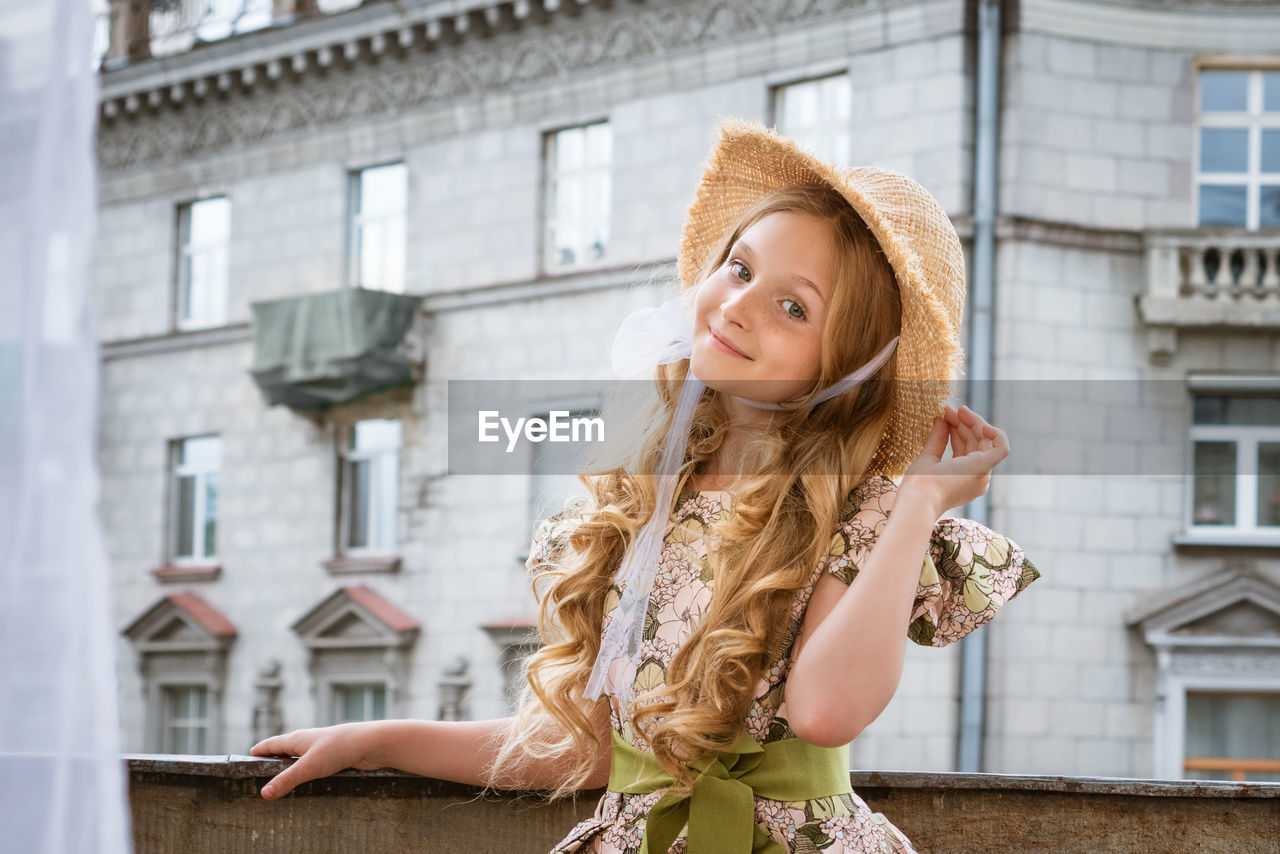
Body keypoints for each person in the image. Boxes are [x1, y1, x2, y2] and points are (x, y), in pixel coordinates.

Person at [251, 118, 1040, 853]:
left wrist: (920, 505)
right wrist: (373, 740)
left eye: (793, 307)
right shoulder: (642, 498)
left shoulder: (859, 510)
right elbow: (582, 749)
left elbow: (826, 713)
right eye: (740, 267)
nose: (737, 306)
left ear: (852, 364)